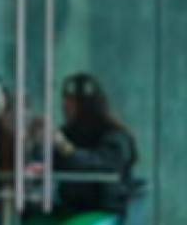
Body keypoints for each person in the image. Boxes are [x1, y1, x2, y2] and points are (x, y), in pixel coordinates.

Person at [48, 73, 139, 217]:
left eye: (71, 102)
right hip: (69, 206)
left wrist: (66, 149)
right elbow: (49, 161)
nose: (64, 106)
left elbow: (100, 163)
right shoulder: (68, 132)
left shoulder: (115, 136)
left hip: (104, 208)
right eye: (64, 100)